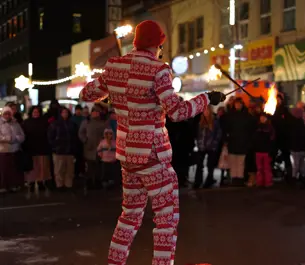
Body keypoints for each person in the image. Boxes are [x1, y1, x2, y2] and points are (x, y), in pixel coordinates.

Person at [79, 20, 225, 265]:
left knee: (129, 215)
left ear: (135, 41)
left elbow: (85, 94)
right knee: (166, 220)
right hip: (153, 155)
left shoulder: (114, 65)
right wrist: (205, 99)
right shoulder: (158, 70)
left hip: (127, 155)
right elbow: (177, 112)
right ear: (158, 43)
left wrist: (113, 91)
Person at [225, 97, 255, 186]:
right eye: (236, 104)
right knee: (233, 162)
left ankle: (240, 178)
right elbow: (226, 128)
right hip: (233, 142)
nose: (238, 105)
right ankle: (234, 178)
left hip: (242, 143)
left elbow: (251, 129)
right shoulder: (230, 115)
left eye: (239, 104)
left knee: (240, 162)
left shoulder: (247, 116)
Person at [22, 106, 51, 196]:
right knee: (32, 167)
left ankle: (40, 182)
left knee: (41, 167)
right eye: (34, 112)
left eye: (37, 112)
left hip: (42, 148)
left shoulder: (44, 122)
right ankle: (30, 183)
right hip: (30, 148)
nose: (36, 113)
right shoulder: (26, 122)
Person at [47, 107, 78, 191]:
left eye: (66, 113)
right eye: (63, 113)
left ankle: (68, 185)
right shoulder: (55, 124)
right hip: (59, 151)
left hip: (69, 151)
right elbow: (50, 137)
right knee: (59, 170)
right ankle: (59, 185)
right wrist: (55, 146)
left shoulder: (72, 124)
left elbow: (75, 137)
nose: (65, 114)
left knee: (69, 170)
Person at [194, 105, 222, 189]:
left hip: (211, 147)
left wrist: (214, 143)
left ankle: (209, 181)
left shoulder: (215, 121)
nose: (205, 112)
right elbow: (198, 134)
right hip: (202, 146)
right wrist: (199, 143)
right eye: (204, 110)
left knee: (210, 165)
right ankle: (198, 182)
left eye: (207, 110)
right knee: (199, 165)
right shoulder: (200, 121)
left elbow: (218, 133)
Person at [79, 106, 107, 189]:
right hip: (89, 147)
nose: (96, 114)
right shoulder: (86, 122)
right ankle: (89, 182)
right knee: (90, 166)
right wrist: (85, 140)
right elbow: (81, 132)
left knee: (99, 166)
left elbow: (106, 133)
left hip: (99, 147)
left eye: (98, 112)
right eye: (94, 112)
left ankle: (98, 182)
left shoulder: (102, 122)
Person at [0, 106, 25, 192]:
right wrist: (8, 138)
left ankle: (12, 185)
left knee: (13, 169)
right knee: (3, 170)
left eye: (9, 114)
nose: (7, 116)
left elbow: (21, 135)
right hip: (3, 150)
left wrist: (16, 139)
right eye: (5, 114)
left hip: (14, 150)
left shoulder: (15, 123)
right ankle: (3, 186)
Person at [289, 107, 305, 189]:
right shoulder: (302, 123)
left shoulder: (292, 123)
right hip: (302, 148)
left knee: (296, 165)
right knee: (302, 165)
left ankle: (293, 180)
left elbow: (291, 136)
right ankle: (303, 180)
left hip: (295, 148)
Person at [253, 113, 275, 187]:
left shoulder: (270, 128)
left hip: (266, 151)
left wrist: (271, 150)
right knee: (259, 168)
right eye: (261, 117)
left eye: (264, 117)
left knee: (266, 168)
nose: (262, 119)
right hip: (258, 150)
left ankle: (267, 182)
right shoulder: (257, 127)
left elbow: (272, 140)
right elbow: (254, 139)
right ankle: (260, 182)